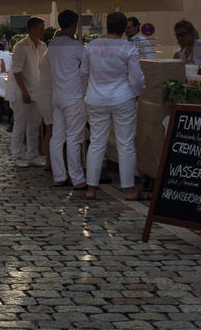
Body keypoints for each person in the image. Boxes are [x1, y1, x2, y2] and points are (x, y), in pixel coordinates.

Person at [82, 11, 144, 200]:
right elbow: (136, 78)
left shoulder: (91, 46)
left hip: (96, 99)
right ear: (124, 28)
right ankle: (128, 189)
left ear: (107, 25)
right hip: (123, 98)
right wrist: (136, 93)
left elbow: (83, 73)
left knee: (96, 143)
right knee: (125, 144)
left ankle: (91, 188)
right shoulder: (128, 48)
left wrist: (92, 86)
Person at [46, 10, 87, 190]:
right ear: (74, 25)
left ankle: (59, 176)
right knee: (74, 138)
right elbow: (88, 65)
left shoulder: (53, 44)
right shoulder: (75, 45)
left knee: (57, 137)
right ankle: (77, 178)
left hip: (57, 95)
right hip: (73, 95)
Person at [6, 17, 47, 168]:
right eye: (40, 28)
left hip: (37, 90)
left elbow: (43, 67)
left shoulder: (43, 46)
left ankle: (33, 154)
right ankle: (17, 155)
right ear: (32, 28)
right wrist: (24, 91)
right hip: (21, 90)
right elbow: (16, 70)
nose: (43, 31)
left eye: (43, 28)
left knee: (34, 125)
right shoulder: (21, 46)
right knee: (20, 124)